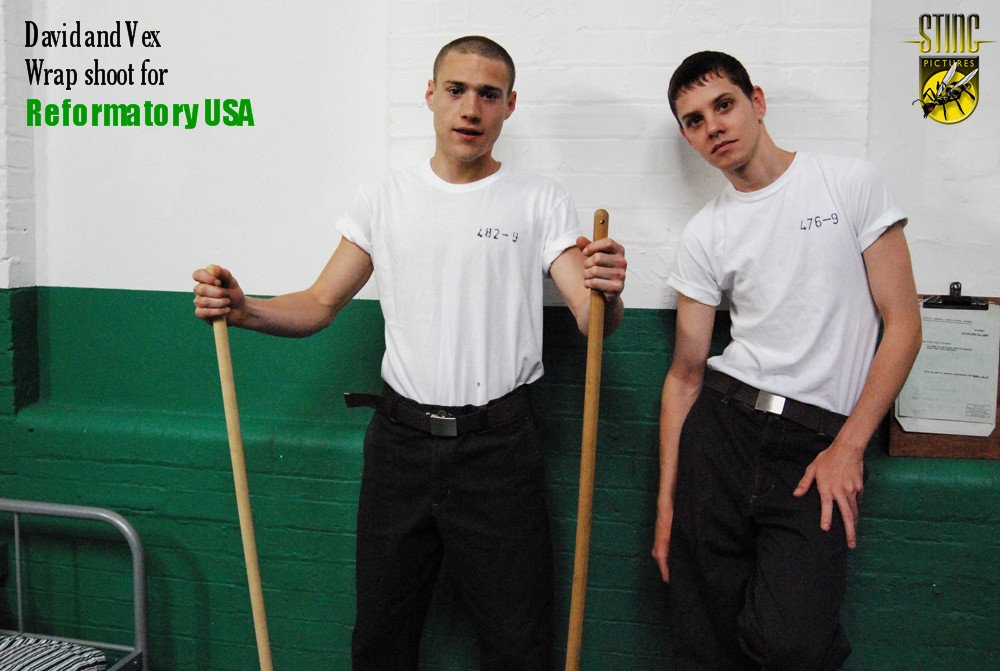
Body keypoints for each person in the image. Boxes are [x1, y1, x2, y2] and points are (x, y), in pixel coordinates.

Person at [193, 35, 626, 670]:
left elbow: (593, 321)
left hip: (500, 449)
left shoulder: (540, 201)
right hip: (401, 445)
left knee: (517, 644)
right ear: (430, 95)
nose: (470, 109)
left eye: (488, 94)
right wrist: (244, 309)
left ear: (509, 105)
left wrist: (607, 291)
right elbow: (320, 302)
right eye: (456, 90)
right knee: (381, 639)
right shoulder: (384, 198)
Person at [651, 51, 921, 670]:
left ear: (757, 102)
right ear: (688, 138)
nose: (713, 127)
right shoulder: (705, 233)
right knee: (703, 639)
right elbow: (685, 375)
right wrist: (667, 504)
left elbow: (904, 326)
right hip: (721, 433)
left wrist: (850, 446)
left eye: (723, 105)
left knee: (792, 642)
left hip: (816, 445)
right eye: (694, 121)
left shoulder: (849, 183)